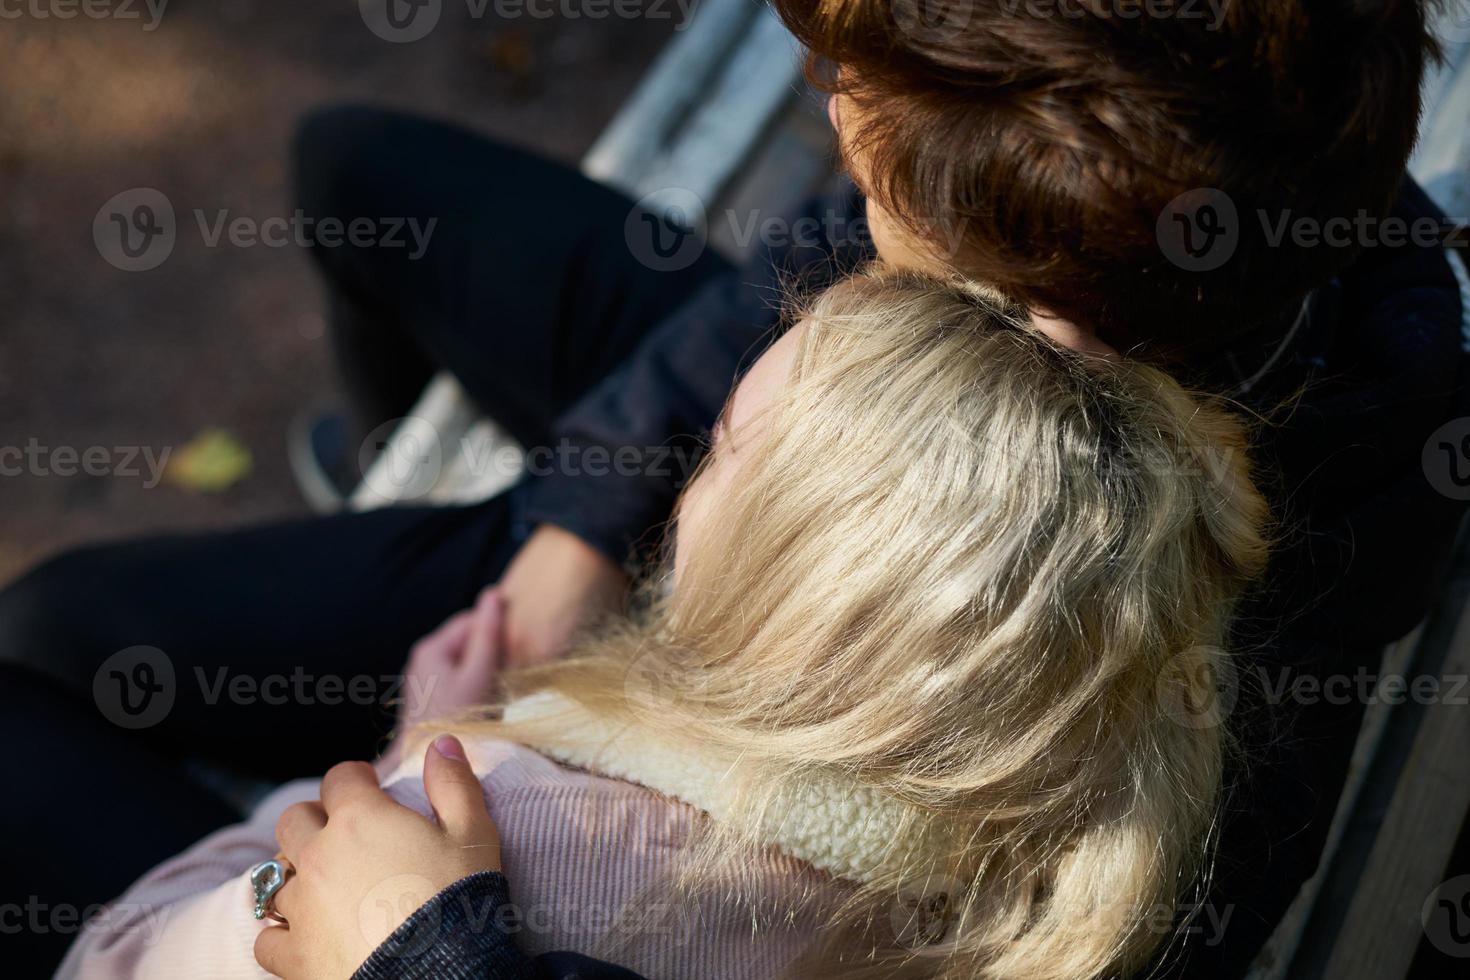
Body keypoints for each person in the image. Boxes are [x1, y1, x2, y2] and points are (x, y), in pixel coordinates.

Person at [2, 1, 1463, 974]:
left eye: (857, 104)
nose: (832, 120)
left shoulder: (1181, 656)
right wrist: (572, 530)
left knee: (67, 634)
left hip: (746, 672)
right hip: (680, 567)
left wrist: (449, 896)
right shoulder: (1161, 216)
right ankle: (441, 497)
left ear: (1035, 322)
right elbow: (787, 274)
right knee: (355, 163)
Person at [57, 270, 1271, 980]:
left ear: (810, 569)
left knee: (40, 648)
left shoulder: (471, 844)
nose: (688, 480)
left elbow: (110, 957)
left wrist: (406, 765)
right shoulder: (1035, 886)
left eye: (725, 447)